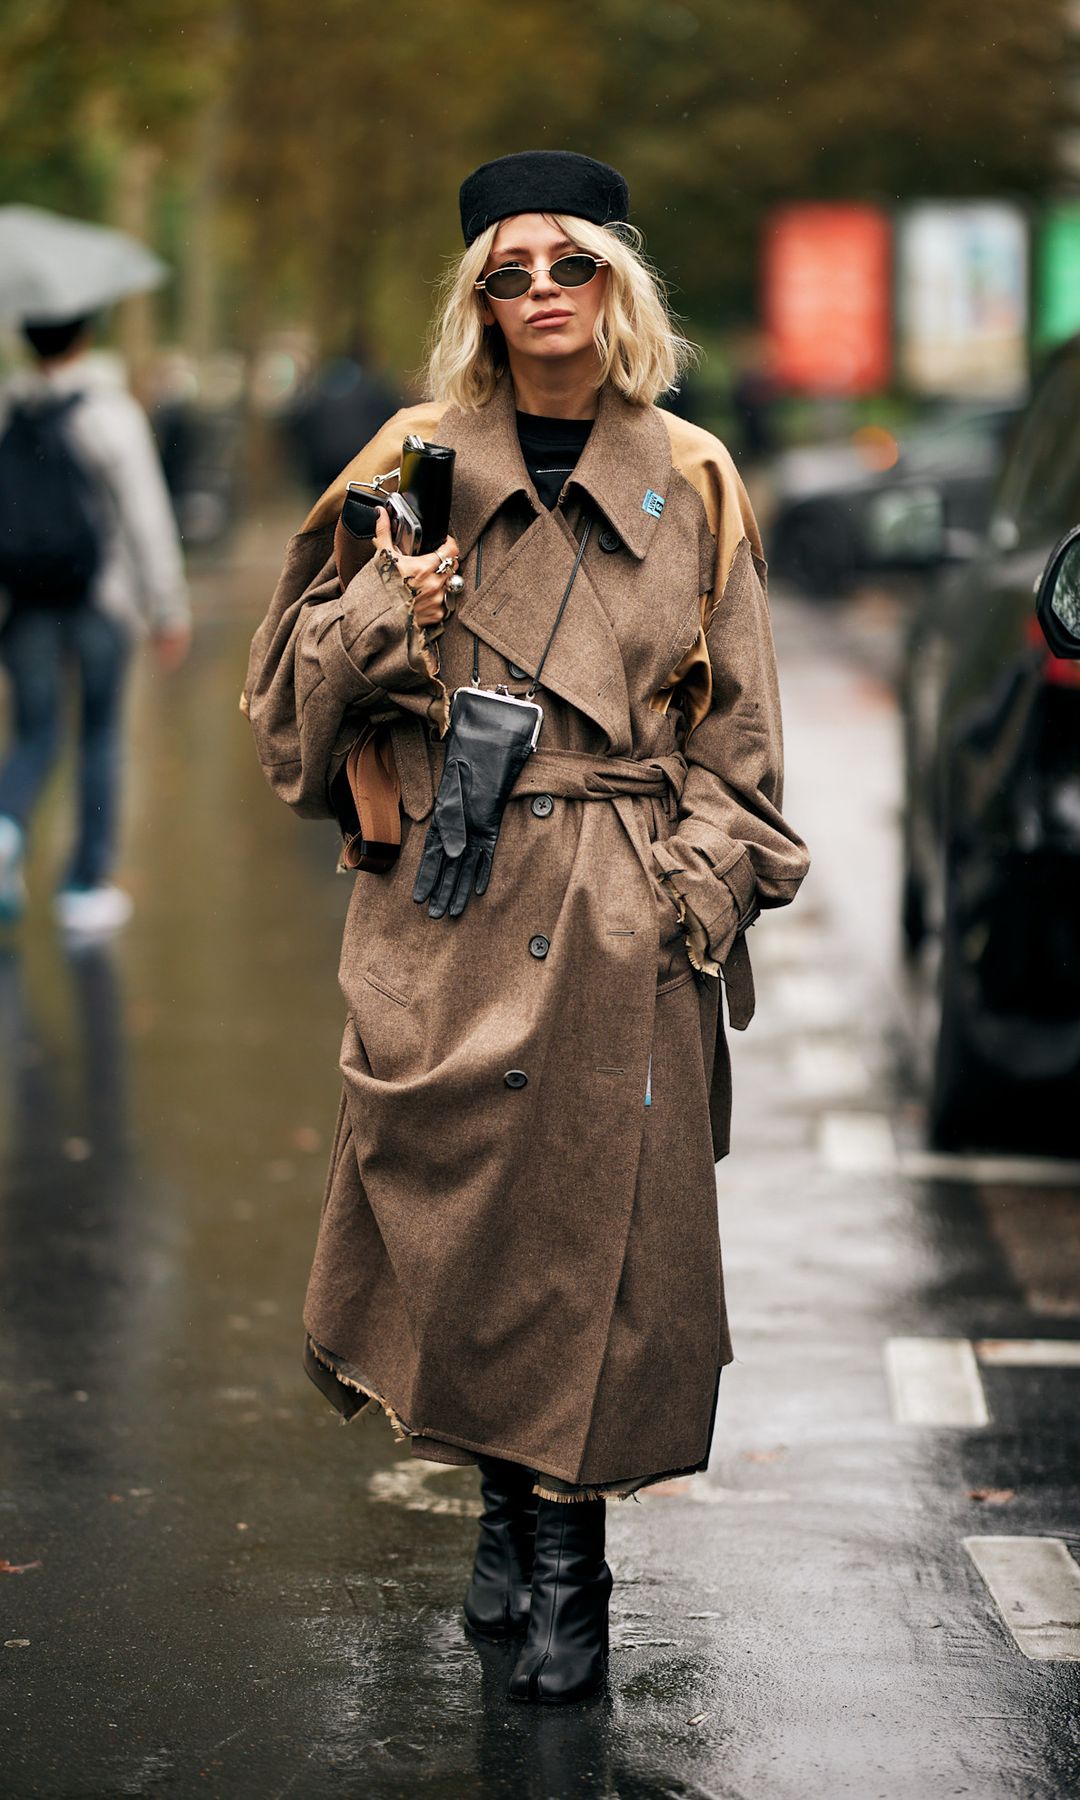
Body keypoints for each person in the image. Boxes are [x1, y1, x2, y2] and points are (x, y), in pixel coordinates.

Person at [244, 151, 809, 1704]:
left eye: (569, 266)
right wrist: (387, 614)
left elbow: (746, 754)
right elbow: (290, 718)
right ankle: (505, 1509)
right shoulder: (405, 461)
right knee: (469, 1238)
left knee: (603, 1261)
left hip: (623, 912)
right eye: (510, 272)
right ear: (476, 299)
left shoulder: (689, 473)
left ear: (617, 283)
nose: (542, 293)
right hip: (450, 901)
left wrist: (679, 898)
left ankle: (572, 1570)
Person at [0, 315, 191, 933]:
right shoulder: (109, 413)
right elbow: (145, 515)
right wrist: (168, 607)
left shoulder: (8, 410)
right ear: (83, 335)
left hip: (25, 604)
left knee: (35, 733)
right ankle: (84, 885)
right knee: (100, 736)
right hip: (99, 603)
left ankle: (5, 827)